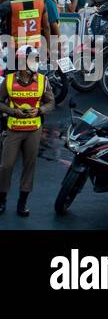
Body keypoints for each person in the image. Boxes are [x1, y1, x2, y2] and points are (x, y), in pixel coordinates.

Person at [0, 46, 53, 216]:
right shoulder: (8, 81)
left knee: (29, 166)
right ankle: (2, 200)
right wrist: (12, 111)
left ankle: (22, 203)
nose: (36, 63)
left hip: (33, 129)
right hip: (13, 129)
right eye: (33, 59)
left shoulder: (43, 80)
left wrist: (40, 110)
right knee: (6, 166)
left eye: (37, 59)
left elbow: (50, 102)